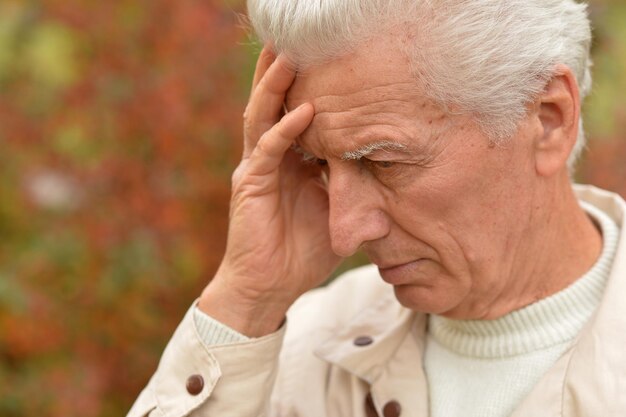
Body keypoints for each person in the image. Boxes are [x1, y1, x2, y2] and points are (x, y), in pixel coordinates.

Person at [128, 1, 626, 416]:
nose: (344, 233)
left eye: (384, 162)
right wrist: (246, 301)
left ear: (548, 120)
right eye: (318, 163)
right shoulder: (300, 347)